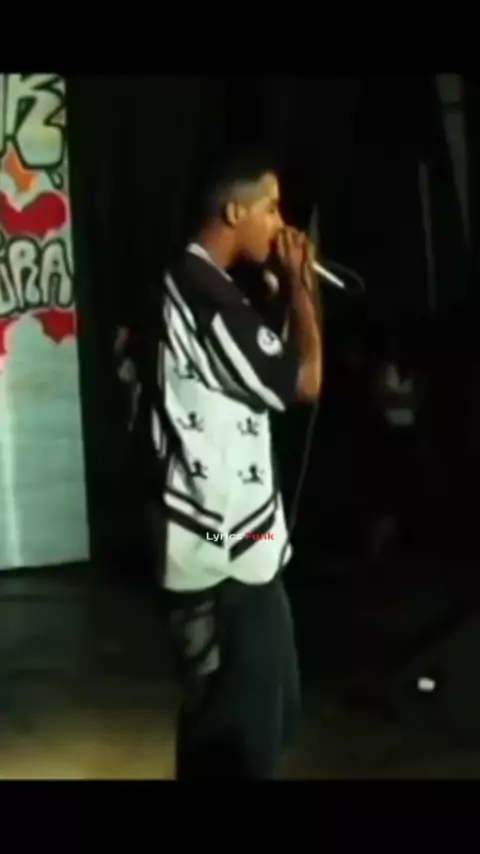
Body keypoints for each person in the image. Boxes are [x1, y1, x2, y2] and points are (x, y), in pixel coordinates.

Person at [139, 150, 323, 779]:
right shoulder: (204, 293)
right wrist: (301, 286)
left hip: (236, 543)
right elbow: (305, 381)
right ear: (234, 211)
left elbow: (251, 366)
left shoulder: (202, 284)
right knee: (238, 739)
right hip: (220, 548)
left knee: (266, 715)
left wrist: (277, 293)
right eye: (270, 207)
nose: (280, 222)